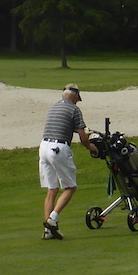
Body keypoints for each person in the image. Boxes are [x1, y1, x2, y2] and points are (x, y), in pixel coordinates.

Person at [39, 83, 94, 240]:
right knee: (70, 187)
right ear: (75, 96)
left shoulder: (53, 107)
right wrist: (91, 147)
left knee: (52, 189)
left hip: (43, 147)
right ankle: (52, 219)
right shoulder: (74, 109)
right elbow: (83, 137)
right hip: (58, 148)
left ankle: (48, 232)